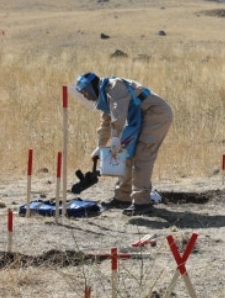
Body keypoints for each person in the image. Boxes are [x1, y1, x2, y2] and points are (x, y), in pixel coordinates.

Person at [71, 72, 173, 216]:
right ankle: (123, 197)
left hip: (155, 114)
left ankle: (141, 202)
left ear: (93, 87)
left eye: (86, 92)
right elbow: (105, 123)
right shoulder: (105, 95)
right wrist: (100, 146)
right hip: (140, 117)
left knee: (142, 156)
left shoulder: (114, 88)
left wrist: (114, 143)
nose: (85, 96)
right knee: (127, 153)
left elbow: (117, 120)